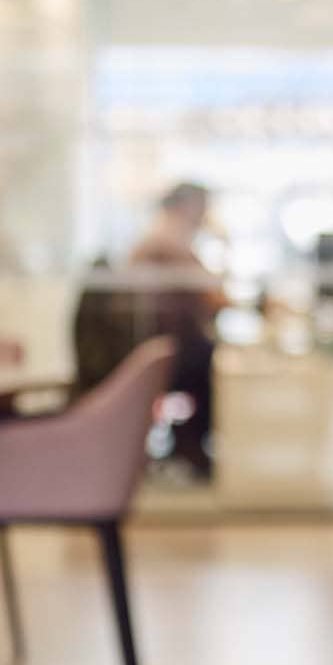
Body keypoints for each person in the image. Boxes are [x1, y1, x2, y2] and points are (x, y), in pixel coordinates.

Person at [127, 181, 226, 477]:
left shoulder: (163, 237)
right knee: (216, 363)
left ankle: (189, 444)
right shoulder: (167, 240)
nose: (207, 214)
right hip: (170, 348)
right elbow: (213, 295)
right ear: (189, 206)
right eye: (204, 206)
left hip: (166, 342)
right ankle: (192, 447)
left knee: (211, 354)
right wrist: (224, 242)